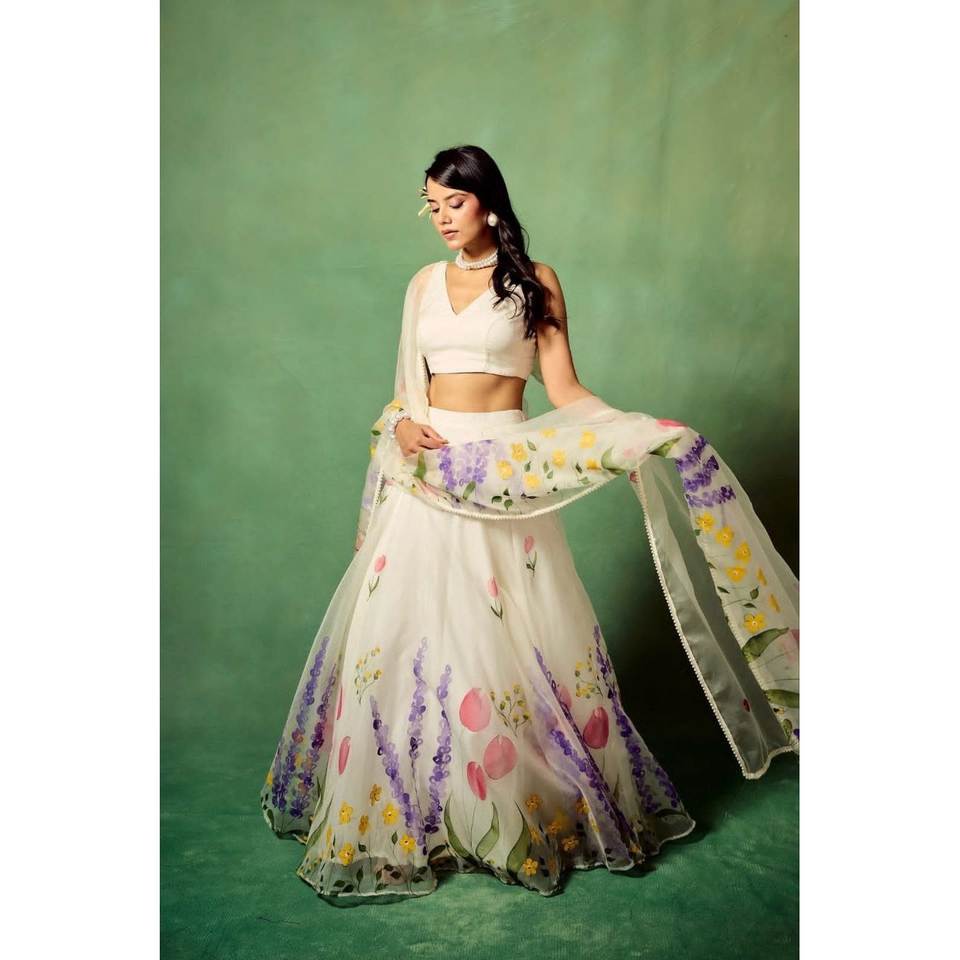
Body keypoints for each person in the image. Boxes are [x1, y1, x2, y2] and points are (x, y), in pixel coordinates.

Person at [260, 145, 798, 906]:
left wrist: (632, 430)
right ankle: (416, 817)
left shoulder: (535, 281)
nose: (441, 217)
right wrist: (403, 428)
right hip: (428, 473)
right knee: (407, 639)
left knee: (504, 643)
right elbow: (405, 390)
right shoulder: (422, 284)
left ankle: (509, 813)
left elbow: (563, 388)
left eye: (453, 202)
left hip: (502, 474)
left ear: (487, 202)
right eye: (431, 205)